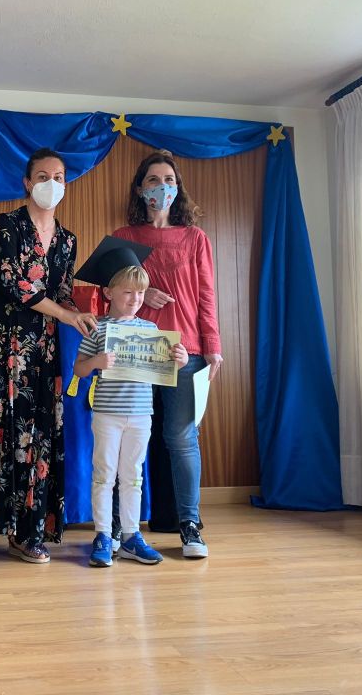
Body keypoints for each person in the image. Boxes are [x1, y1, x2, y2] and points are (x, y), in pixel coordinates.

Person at [0, 148, 97, 569]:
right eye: (43, 176)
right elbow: (17, 285)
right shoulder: (5, 225)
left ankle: (25, 533)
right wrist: (66, 315)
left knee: (36, 436)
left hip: (40, 348)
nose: (52, 183)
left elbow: (62, 293)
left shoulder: (68, 240)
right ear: (27, 183)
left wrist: (84, 313)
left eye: (59, 177)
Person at [113, 150, 222, 559]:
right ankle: (119, 525)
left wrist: (213, 347)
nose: (163, 187)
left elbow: (207, 295)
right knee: (128, 435)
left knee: (181, 437)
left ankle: (189, 525)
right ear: (140, 189)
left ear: (178, 188)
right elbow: (108, 295)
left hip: (184, 350)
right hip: (135, 348)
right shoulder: (124, 237)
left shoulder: (195, 238)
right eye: (154, 180)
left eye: (169, 180)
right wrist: (144, 296)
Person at [73, 255, 188, 568]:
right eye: (128, 292)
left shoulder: (150, 329)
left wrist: (179, 360)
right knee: (104, 475)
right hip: (107, 414)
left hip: (140, 415)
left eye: (140, 293)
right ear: (109, 293)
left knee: (132, 477)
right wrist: (95, 363)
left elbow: (164, 369)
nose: (135, 299)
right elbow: (79, 369)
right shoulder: (98, 328)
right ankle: (103, 534)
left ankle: (130, 536)